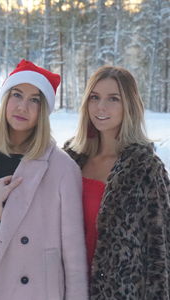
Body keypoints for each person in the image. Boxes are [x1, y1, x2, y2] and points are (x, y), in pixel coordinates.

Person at [0, 59, 88, 300]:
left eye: (34, 99)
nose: (23, 106)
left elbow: (73, 260)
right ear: (5, 100)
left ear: (43, 110)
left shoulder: (62, 169)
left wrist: (2, 211)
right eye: (17, 95)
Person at [64, 65, 170, 299]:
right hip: (66, 287)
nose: (101, 107)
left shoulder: (145, 169)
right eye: (95, 97)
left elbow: (160, 252)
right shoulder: (69, 160)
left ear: (129, 106)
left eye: (113, 99)